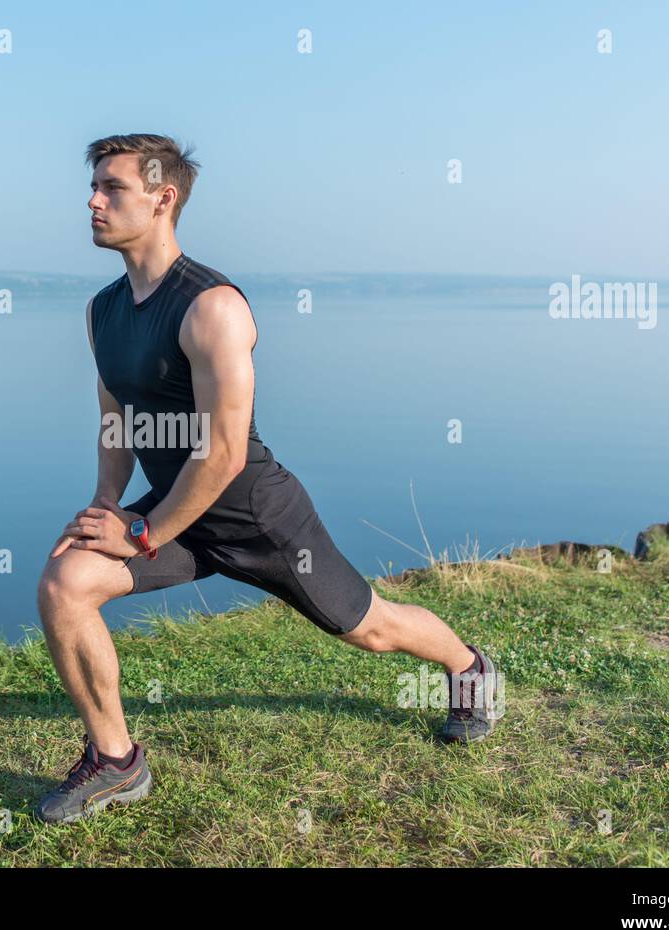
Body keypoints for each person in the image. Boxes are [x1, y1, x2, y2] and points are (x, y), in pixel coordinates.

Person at [34, 133, 500, 825]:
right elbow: (115, 419)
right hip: (172, 513)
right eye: (93, 187)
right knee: (64, 581)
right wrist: (107, 506)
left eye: (113, 187)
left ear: (163, 199)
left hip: (255, 514)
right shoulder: (102, 310)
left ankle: (468, 667)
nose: (94, 201)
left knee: (371, 629)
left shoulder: (212, 307)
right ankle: (116, 760)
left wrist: (142, 533)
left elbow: (221, 454)